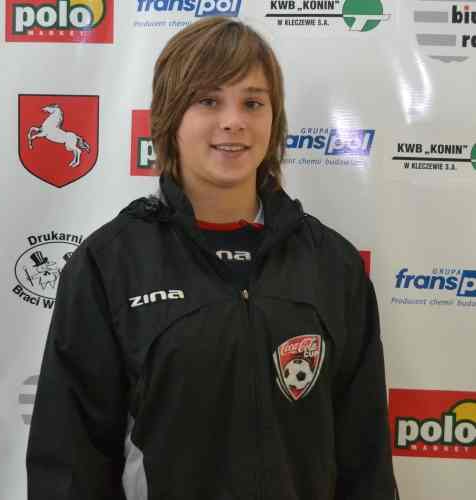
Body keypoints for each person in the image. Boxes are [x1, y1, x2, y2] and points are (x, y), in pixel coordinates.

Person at [27, 16, 398, 500]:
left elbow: (364, 457)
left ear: (274, 119)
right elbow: (70, 462)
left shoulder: (332, 264)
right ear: (170, 116)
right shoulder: (110, 264)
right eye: (208, 101)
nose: (233, 121)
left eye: (252, 103)